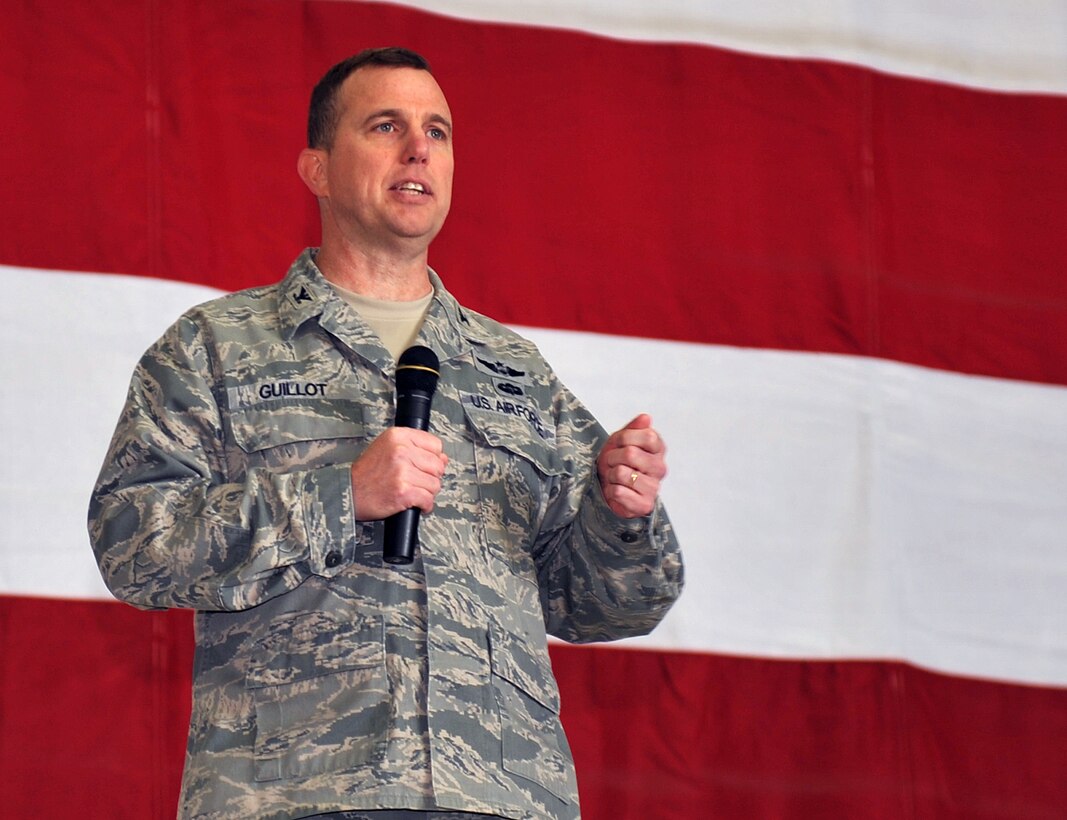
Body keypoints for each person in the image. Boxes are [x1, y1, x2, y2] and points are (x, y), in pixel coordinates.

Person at [89, 47, 683, 820]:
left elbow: (606, 606)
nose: (418, 148)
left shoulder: (514, 370)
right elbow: (134, 543)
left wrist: (621, 516)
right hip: (293, 790)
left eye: (437, 130)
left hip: (498, 795)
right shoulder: (216, 347)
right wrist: (342, 497)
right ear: (318, 169)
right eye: (386, 126)